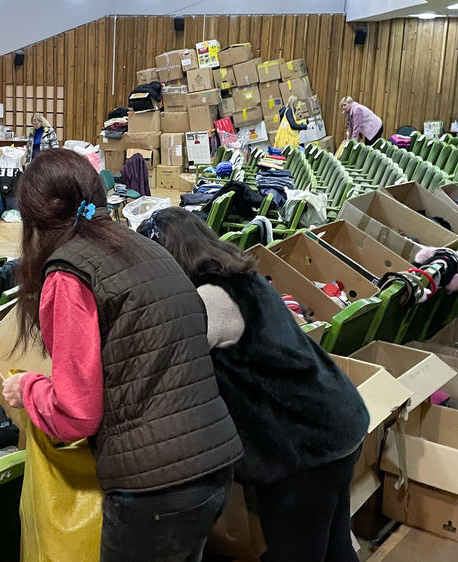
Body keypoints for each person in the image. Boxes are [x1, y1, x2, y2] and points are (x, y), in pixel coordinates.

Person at [0, 149, 242, 561]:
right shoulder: (145, 248)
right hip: (213, 464)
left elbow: (76, 415)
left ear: (34, 217)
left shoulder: (69, 272)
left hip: (156, 488)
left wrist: (28, 388)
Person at [136, 207, 370, 562]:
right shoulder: (240, 275)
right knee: (335, 547)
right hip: (336, 421)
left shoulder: (208, 301)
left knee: (297, 552)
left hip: (303, 448)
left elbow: (165, 363)